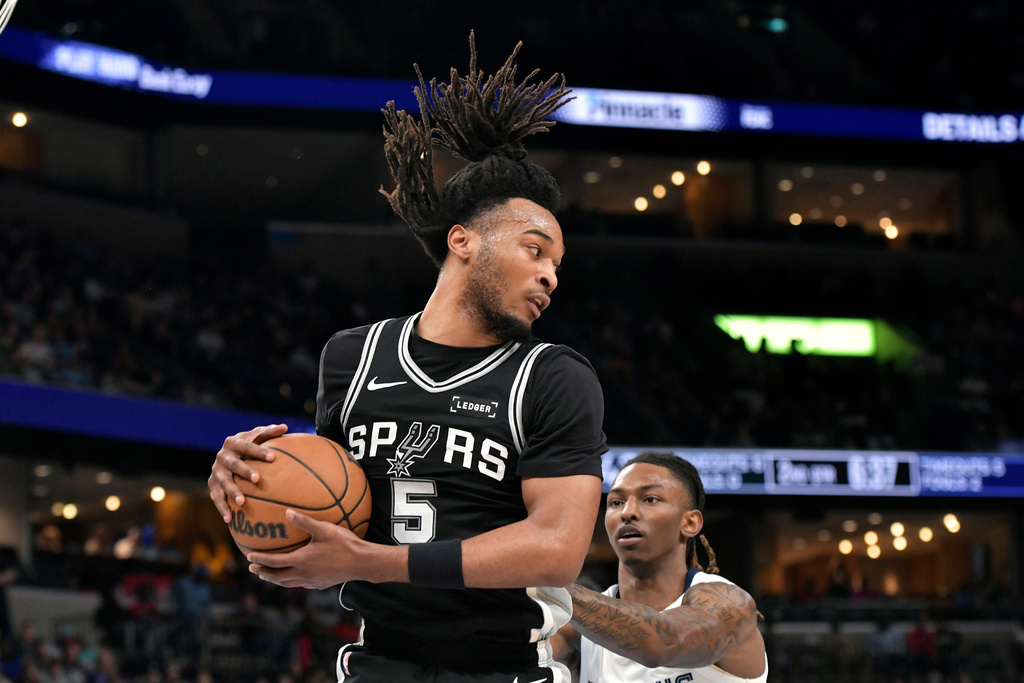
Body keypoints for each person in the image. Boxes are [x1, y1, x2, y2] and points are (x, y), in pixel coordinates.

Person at [207, 33, 606, 683]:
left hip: (501, 667)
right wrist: (240, 481)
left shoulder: (554, 376)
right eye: (536, 250)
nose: (551, 276)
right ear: (463, 240)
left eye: (557, 264)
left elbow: (555, 550)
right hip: (377, 661)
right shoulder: (352, 356)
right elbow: (322, 508)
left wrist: (370, 561)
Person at [551, 451, 767, 682]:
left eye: (650, 499)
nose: (627, 512)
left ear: (690, 522)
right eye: (616, 502)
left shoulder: (730, 605)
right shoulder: (576, 625)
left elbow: (663, 642)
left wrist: (552, 587)